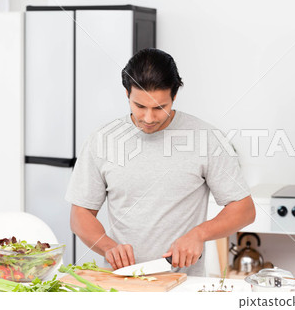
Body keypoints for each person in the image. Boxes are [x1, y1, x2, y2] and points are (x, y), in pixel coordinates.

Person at [65, 48, 255, 276]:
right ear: (127, 93)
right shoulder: (102, 140)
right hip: (123, 282)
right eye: (139, 106)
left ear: (174, 96)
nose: (148, 118)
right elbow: (80, 214)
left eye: (159, 107)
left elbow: (244, 209)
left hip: (184, 285)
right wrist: (108, 247)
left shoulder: (207, 139)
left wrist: (199, 234)